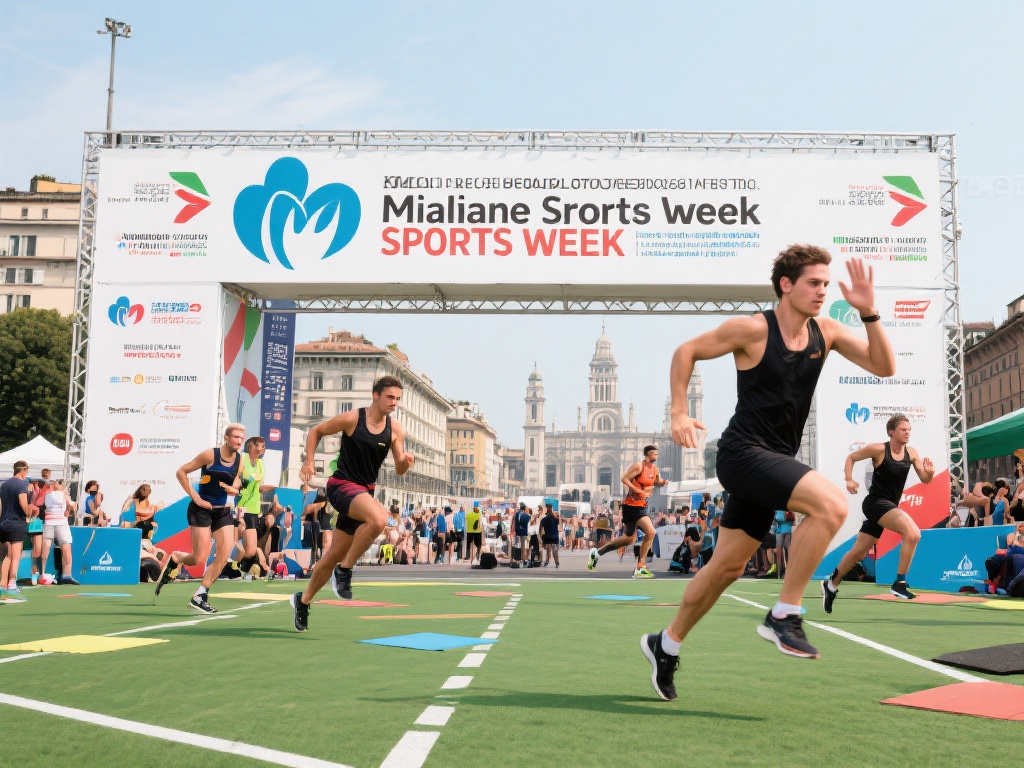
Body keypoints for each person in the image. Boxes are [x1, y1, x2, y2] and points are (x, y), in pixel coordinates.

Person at [641, 249, 895, 701]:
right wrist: (679, 411)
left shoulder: (828, 332)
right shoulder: (753, 329)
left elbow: (883, 365)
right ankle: (785, 614)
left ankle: (666, 643)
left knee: (727, 566)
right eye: (814, 283)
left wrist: (869, 312)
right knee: (832, 505)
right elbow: (688, 351)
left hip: (775, 459)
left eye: (825, 283)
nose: (822, 291)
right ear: (785, 285)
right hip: (741, 454)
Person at [289, 375, 414, 632]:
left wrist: (406, 462)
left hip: (364, 492)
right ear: (376, 395)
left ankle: (302, 601)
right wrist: (309, 461)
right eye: (390, 397)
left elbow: (400, 468)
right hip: (341, 486)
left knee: (333, 554)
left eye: (398, 399)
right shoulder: (352, 419)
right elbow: (316, 431)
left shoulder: (395, 429)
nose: (394, 403)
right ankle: (344, 572)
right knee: (380, 519)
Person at [822, 414, 935, 611]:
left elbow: (925, 479)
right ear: (892, 432)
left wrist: (930, 473)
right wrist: (849, 479)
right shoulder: (879, 449)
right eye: (903, 429)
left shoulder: (912, 453)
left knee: (858, 553)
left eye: (909, 429)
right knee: (913, 533)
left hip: (887, 506)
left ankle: (831, 583)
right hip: (875, 503)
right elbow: (852, 457)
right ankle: (900, 583)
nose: (907, 432)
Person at [155, 422, 246, 613]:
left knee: (225, 551)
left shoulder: (240, 460)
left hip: (222, 511)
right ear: (227, 438)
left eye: (242, 438)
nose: (239, 441)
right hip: (201, 509)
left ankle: (200, 594)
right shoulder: (210, 455)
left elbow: (236, 482)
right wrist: (195, 497)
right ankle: (177, 558)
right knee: (198, 557)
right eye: (236, 437)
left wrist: (234, 488)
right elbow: (181, 472)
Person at [589, 446, 668, 578]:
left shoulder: (655, 469)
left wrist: (663, 482)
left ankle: (596, 553)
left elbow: (656, 481)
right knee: (651, 532)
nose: (656, 456)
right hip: (631, 506)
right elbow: (624, 479)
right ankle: (640, 567)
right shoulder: (638, 466)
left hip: (642, 506)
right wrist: (638, 490)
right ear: (648, 455)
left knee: (628, 540)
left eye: (657, 454)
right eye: (654, 454)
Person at [237, 436, 270, 577]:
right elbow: (237, 480)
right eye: (261, 446)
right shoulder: (242, 459)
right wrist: (243, 481)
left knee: (250, 551)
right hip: (240, 507)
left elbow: (258, 485)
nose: (263, 449)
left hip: (254, 509)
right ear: (251, 447)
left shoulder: (261, 463)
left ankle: (238, 568)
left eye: (263, 446)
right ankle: (227, 567)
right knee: (232, 544)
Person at [0, 460, 34, 597]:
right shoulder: (22, 484)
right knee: (15, 555)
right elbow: (23, 504)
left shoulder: (4, 485)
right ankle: (12, 582)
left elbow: (0, 507)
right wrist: (30, 510)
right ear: (23, 470)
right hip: (16, 523)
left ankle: (2, 583)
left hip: (3, 523)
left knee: (6, 556)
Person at [40, 479, 79, 586]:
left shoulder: (64, 495)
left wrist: (69, 505)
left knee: (66, 548)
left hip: (61, 523)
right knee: (45, 549)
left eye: (59, 483)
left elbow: (69, 510)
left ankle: (67, 576)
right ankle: (41, 574)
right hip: (49, 522)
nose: (56, 485)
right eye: (55, 483)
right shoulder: (47, 494)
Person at [540, 504, 560, 568]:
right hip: (555, 536)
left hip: (548, 536)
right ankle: (557, 562)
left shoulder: (544, 519)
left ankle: (547, 561)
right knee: (555, 549)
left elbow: (540, 529)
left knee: (548, 550)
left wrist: (540, 538)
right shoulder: (555, 519)